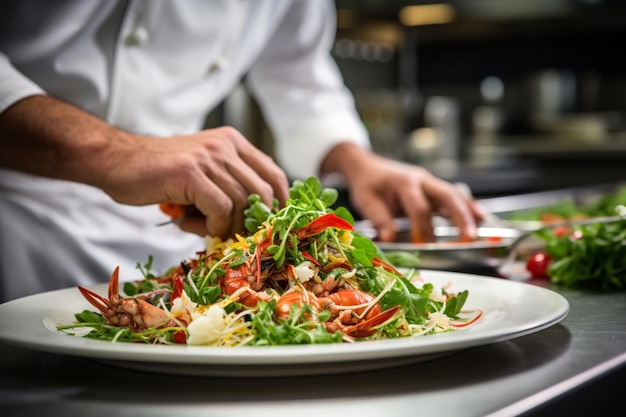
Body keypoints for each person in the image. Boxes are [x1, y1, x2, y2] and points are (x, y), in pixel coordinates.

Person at [0, 0, 484, 302]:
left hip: (182, 228)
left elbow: (299, 79)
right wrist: (112, 152)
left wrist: (359, 162)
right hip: (17, 222)